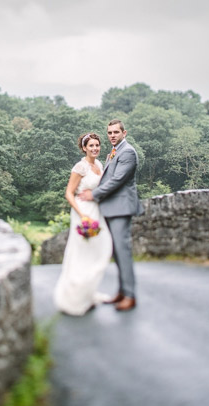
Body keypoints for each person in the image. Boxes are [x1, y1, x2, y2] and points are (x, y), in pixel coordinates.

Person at [79, 119, 144, 311]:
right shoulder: (114, 153)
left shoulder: (128, 152)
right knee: (116, 252)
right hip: (111, 208)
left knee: (123, 252)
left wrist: (93, 194)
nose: (112, 135)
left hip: (121, 208)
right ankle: (122, 291)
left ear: (125, 133)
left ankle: (130, 296)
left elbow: (117, 180)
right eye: (109, 133)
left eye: (116, 132)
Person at [53, 133, 113, 315]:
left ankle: (88, 292)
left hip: (97, 212)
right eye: (91, 146)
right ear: (84, 148)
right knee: (82, 253)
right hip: (83, 213)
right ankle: (74, 298)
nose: (95, 148)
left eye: (97, 145)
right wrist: (82, 215)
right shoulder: (80, 167)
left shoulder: (99, 165)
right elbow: (69, 193)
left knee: (100, 250)